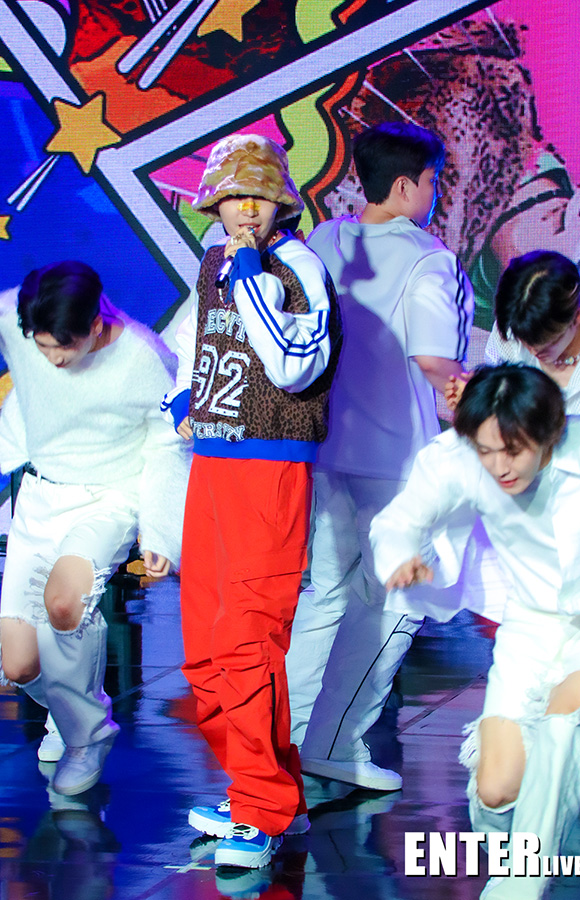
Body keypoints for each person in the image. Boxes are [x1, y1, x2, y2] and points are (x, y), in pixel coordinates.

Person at [161, 134, 341, 868]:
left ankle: (260, 812)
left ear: (279, 203)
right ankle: (265, 794)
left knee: (247, 642)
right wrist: (182, 399)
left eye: (257, 197)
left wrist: (249, 276)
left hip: (270, 472)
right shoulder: (214, 262)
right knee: (204, 650)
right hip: (212, 464)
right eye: (232, 197)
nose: (244, 211)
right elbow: (192, 341)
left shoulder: (295, 267)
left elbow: (295, 364)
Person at [285, 121, 473, 791]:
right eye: (432, 181)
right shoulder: (429, 258)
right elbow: (434, 359)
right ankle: (335, 743)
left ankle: (289, 741)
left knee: (325, 595)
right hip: (396, 458)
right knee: (396, 600)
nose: (435, 192)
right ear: (403, 186)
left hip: (322, 447)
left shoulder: (322, 240)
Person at [371, 364, 580, 899]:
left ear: (551, 432)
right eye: (486, 451)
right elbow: (398, 520)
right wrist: (400, 555)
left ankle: (515, 888)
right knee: (496, 791)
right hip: (530, 628)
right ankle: (525, 847)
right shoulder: (463, 456)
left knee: (562, 729)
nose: (499, 466)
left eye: (513, 451)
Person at [0, 260, 188, 796]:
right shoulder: (15, 319)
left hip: (108, 497)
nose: (53, 359)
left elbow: (166, 448)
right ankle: (69, 709)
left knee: (65, 604)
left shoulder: (143, 359)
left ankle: (88, 736)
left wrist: (160, 534)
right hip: (41, 494)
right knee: (18, 664)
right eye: (41, 347)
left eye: (63, 347)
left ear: (96, 325)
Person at [446, 250, 580, 413]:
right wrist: (478, 400)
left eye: (548, 344)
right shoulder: (515, 322)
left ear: (577, 317)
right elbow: (506, 404)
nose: (533, 351)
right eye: (524, 341)